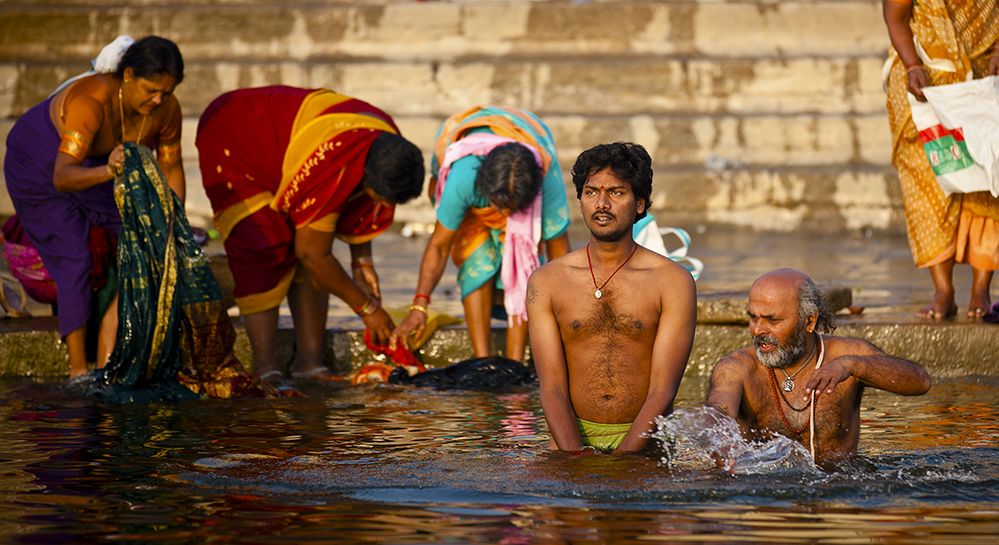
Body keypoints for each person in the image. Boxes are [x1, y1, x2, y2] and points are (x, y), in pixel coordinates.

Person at [196, 85, 424, 382]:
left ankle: (310, 366)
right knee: (267, 248)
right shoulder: (333, 165)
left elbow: (359, 205)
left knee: (313, 252)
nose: (381, 207)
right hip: (235, 139)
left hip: (285, 140)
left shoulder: (386, 141)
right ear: (362, 177)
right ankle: (266, 370)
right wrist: (367, 309)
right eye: (380, 199)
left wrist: (362, 262)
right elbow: (314, 254)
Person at [3, 35, 186, 379]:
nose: (158, 100)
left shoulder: (166, 109)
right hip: (41, 162)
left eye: (167, 92)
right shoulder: (93, 100)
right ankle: (78, 371)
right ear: (128, 75)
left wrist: (173, 222)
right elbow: (62, 177)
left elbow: (172, 167)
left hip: (98, 163)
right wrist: (107, 170)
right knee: (75, 257)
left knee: (142, 240)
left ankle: (110, 353)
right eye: (151, 90)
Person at [527, 142, 697, 453]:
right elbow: (551, 388)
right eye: (591, 192)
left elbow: (663, 390)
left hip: (646, 445)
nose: (601, 204)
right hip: (569, 442)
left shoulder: (673, 282)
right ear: (580, 201)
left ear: (640, 204)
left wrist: (623, 461)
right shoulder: (547, 280)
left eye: (616, 193)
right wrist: (576, 459)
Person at [391, 106, 571, 361]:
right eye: (501, 209)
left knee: (527, 268)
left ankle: (516, 362)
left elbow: (558, 257)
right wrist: (419, 305)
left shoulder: (547, 180)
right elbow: (439, 246)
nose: (507, 217)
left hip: (532, 137)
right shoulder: (463, 177)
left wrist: (564, 315)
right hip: (463, 147)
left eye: (514, 211)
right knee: (480, 259)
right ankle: (482, 360)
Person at [707, 268, 932, 466]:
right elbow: (718, 411)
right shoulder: (737, 368)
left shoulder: (847, 356)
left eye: (772, 320)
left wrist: (853, 366)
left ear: (809, 321)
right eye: (753, 317)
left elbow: (920, 381)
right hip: (766, 502)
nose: (757, 330)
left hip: (839, 495)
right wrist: (719, 440)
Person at [882, 0, 999, 319]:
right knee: (926, 187)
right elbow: (896, 16)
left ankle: (980, 292)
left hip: (982, 77)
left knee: (988, 184)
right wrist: (912, 66)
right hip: (924, 80)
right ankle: (943, 291)